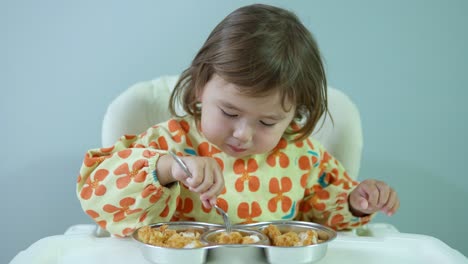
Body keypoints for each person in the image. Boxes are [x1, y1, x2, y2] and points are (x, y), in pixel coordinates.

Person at [77, 4, 399, 237]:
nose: (243, 134)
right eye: (229, 113)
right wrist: (166, 169)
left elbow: (328, 215)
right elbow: (95, 191)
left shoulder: (304, 158)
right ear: (201, 86)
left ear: (294, 114)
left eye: (268, 122)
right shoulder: (169, 143)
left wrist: (357, 202)